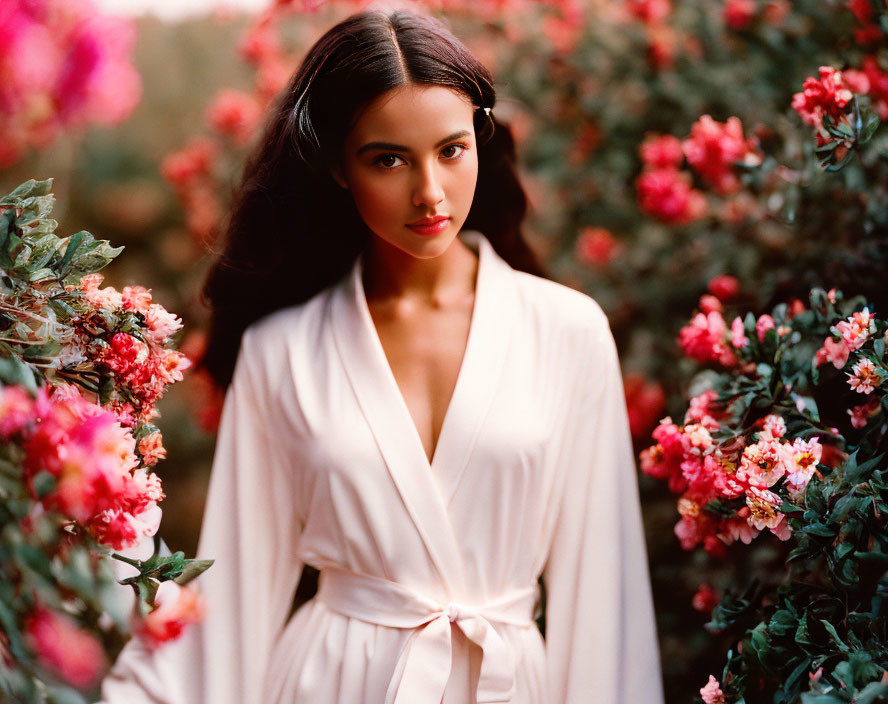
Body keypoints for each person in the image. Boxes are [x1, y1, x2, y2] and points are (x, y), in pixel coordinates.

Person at [98, 8, 664, 704]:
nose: (429, 192)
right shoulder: (283, 353)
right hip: (330, 682)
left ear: (480, 142)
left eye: (451, 150)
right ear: (338, 165)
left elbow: (601, 598)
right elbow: (237, 591)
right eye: (389, 159)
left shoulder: (568, 333)